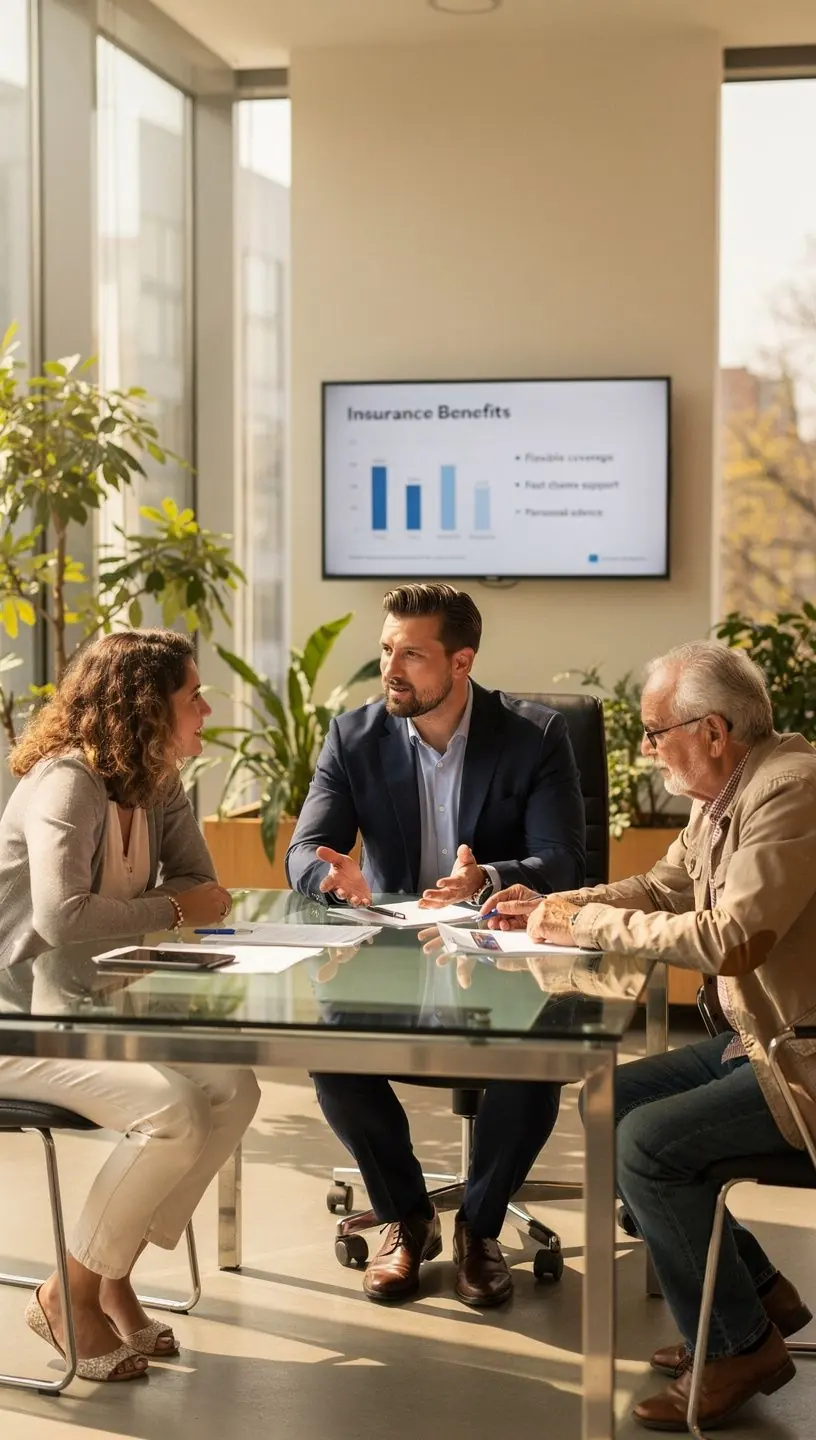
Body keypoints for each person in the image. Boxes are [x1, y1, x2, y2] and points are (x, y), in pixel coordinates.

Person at [484, 640, 816, 1430]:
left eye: (655, 729)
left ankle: (742, 1346)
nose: (647, 747)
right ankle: (759, 1293)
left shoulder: (792, 792)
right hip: (760, 1036)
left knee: (643, 1143)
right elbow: (667, 885)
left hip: (801, 1053)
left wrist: (586, 920)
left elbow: (731, 938)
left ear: (711, 730)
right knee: (611, 1097)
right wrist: (554, 906)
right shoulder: (726, 788)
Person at [287, 582, 586, 1306]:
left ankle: (479, 1228)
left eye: (412, 654)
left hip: (500, 953)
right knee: (329, 1050)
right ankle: (405, 1217)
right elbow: (305, 851)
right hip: (390, 953)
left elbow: (566, 862)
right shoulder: (353, 736)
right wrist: (333, 882)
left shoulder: (535, 736)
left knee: (533, 1056)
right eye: (388, 648)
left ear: (461, 662)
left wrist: (485, 877)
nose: (392, 666)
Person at [0, 630, 260, 1382]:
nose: (207, 709)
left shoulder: (155, 780)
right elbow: (62, 919)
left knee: (233, 1088)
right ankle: (65, 1292)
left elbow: (201, 887)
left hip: (86, 1013)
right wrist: (175, 908)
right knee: (173, 1112)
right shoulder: (66, 783)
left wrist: (183, 904)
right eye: (192, 696)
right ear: (147, 708)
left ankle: (109, 1274)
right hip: (20, 1022)